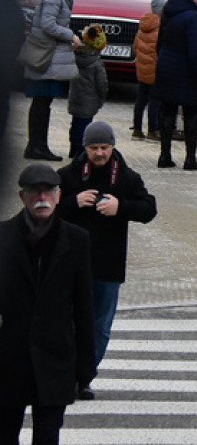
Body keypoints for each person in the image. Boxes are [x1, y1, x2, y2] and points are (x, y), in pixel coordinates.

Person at [56, 123, 157, 398]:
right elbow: (45, 211)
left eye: (104, 147)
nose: (99, 153)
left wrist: (120, 208)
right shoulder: (67, 176)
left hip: (107, 266)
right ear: (84, 148)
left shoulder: (125, 177)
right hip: (70, 265)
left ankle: (83, 378)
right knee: (68, 323)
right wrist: (73, 203)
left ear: (113, 147)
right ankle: (65, 374)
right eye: (93, 148)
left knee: (99, 326)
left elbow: (149, 209)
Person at [0, 165, 95, 444]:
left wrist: (85, 367)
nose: (42, 197)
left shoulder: (76, 239)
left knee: (48, 434)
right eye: (35, 191)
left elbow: (84, 305)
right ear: (22, 196)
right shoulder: (3, 237)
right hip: (9, 359)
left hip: (56, 358)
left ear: (58, 195)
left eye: (49, 191)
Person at [24, 0, 82, 160]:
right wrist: (71, 36)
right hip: (47, 56)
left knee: (42, 102)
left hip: (49, 55)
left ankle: (37, 145)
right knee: (42, 102)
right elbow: (48, 25)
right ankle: (36, 146)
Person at [153, 0, 197, 169]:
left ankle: (164, 155)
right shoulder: (193, 18)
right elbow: (196, 53)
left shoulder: (169, 13)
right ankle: (190, 158)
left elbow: (159, 43)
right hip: (187, 73)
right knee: (191, 114)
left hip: (167, 69)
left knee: (168, 112)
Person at [67, 24, 108, 159]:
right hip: (90, 101)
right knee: (85, 127)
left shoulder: (76, 56)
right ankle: (81, 152)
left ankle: (73, 148)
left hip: (75, 97)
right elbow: (101, 83)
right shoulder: (96, 63)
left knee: (75, 124)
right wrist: (102, 98)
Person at [132, 0, 164, 141]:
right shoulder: (160, 29)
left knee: (140, 100)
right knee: (154, 102)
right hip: (156, 71)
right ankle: (153, 130)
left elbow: (135, 47)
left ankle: (137, 129)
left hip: (142, 70)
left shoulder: (143, 27)